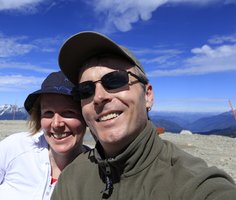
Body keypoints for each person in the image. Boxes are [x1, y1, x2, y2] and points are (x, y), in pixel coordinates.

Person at [51, 31, 236, 199]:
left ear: (147, 96)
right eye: (85, 90)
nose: (99, 97)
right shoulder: (71, 181)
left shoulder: (194, 184)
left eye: (115, 80)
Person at [0, 71, 88, 200]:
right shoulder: (16, 147)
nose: (56, 124)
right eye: (48, 113)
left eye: (69, 112)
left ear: (86, 116)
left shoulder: (96, 169)